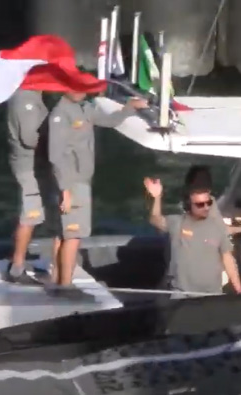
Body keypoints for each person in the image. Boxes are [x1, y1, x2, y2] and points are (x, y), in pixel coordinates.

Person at [47, 92, 148, 289]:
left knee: (64, 233)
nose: (85, 91)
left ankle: (57, 280)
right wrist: (65, 189)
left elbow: (108, 120)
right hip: (71, 182)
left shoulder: (84, 107)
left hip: (81, 181)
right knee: (72, 235)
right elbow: (56, 156)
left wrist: (129, 108)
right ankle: (65, 286)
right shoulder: (60, 114)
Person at [142, 176, 241, 296]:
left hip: (212, 295)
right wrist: (157, 197)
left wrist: (239, 290)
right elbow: (155, 220)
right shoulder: (177, 223)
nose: (206, 207)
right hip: (182, 294)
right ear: (188, 205)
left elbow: (228, 259)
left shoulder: (218, 226)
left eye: (209, 203)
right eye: (200, 205)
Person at [5, 89, 53, 283]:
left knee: (30, 213)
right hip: (27, 166)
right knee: (30, 215)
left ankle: (18, 259)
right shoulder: (27, 99)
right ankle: (17, 268)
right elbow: (29, 138)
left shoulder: (27, 95)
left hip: (29, 164)